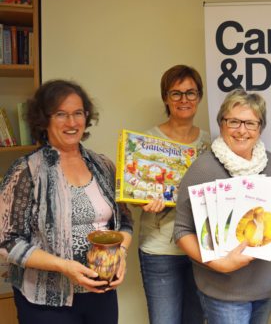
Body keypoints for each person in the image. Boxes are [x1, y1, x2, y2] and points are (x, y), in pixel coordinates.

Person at [0, 79, 133, 324]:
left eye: (78, 113)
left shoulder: (103, 165)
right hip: (46, 300)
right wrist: (65, 267)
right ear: (44, 119)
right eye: (61, 114)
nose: (72, 123)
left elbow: (124, 222)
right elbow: (7, 243)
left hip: (101, 293)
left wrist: (121, 255)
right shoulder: (26, 171)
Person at [174, 88, 271, 324]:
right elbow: (181, 231)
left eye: (250, 123)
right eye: (234, 121)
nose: (242, 130)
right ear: (222, 123)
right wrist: (219, 264)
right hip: (224, 292)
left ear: (260, 128)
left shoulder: (270, 162)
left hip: (266, 288)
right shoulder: (204, 168)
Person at [138, 65, 210, 324]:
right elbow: (133, 192)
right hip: (160, 249)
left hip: (200, 251)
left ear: (199, 97)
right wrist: (142, 201)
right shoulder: (145, 142)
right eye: (176, 93)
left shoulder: (210, 144)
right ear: (165, 98)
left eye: (191, 93)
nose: (184, 100)